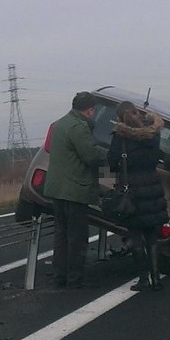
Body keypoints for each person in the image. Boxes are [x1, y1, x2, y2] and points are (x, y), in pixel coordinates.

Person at [43, 91, 106, 289]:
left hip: (57, 188)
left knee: (61, 235)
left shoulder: (60, 124)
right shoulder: (79, 127)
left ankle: (59, 276)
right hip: (74, 190)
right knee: (77, 237)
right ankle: (75, 278)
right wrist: (111, 159)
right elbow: (90, 156)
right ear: (89, 110)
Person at [107, 101, 168, 291]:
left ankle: (143, 279)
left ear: (120, 117)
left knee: (135, 236)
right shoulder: (153, 134)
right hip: (152, 187)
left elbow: (112, 162)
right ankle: (156, 278)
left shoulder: (120, 137)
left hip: (131, 190)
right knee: (151, 235)